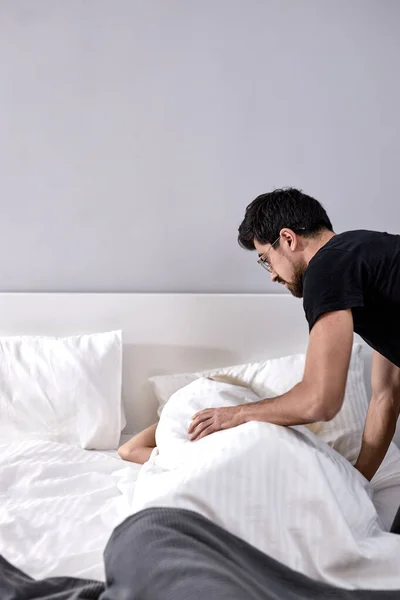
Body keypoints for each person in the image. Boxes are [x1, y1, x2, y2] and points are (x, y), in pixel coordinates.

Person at [188, 187, 400, 482]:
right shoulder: (368, 259)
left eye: (266, 259)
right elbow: (386, 396)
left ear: (287, 238)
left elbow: (320, 400)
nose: (273, 274)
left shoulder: (326, 268)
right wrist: (358, 483)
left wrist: (236, 414)